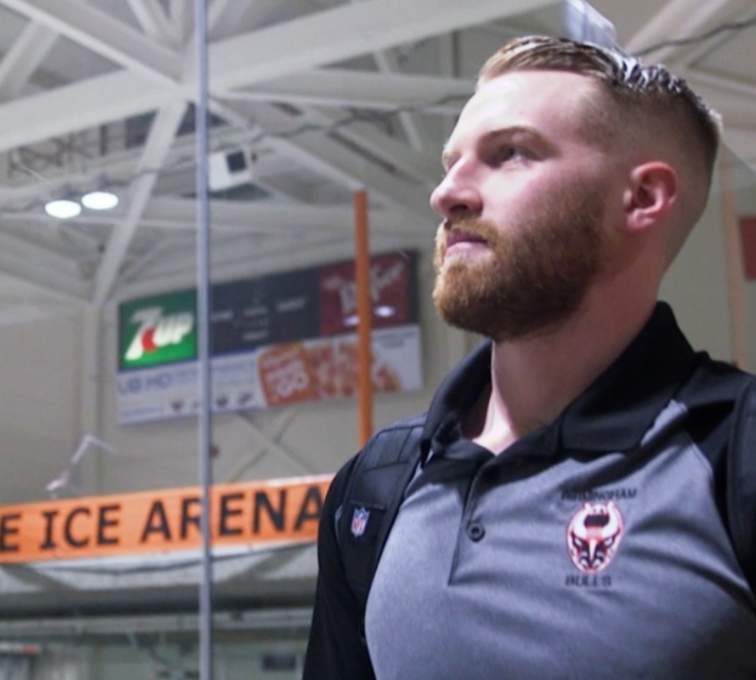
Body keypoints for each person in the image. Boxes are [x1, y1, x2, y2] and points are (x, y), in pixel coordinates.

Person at [302, 35, 756, 680]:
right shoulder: (377, 485)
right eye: (451, 161)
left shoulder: (732, 455)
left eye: (509, 154)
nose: (447, 194)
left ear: (643, 198)